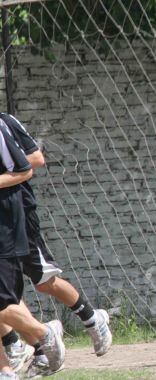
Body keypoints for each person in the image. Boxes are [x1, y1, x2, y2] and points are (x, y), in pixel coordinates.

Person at [0, 113, 112, 376]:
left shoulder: (5, 123)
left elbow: (34, 161)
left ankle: (91, 319)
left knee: (41, 279)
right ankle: (19, 347)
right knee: (9, 292)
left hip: (18, 215)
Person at [0, 119, 65, 378]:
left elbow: (25, 168)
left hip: (4, 227)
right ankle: (6, 370)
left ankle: (42, 335)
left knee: (5, 303)